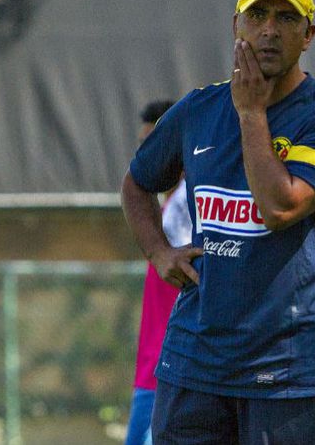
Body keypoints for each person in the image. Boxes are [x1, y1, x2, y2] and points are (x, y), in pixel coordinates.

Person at [120, 0, 315, 444]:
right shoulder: (199, 109)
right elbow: (136, 183)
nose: (269, 29)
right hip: (193, 365)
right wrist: (159, 251)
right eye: (257, 15)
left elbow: (279, 207)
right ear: (237, 25)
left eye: (286, 18)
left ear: (309, 35)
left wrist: (251, 112)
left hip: (283, 375)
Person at [125, 100, 191, 445]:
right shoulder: (167, 205)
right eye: (141, 144)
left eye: (153, 143)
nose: (145, 154)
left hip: (171, 370)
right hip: (154, 368)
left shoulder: (187, 201)